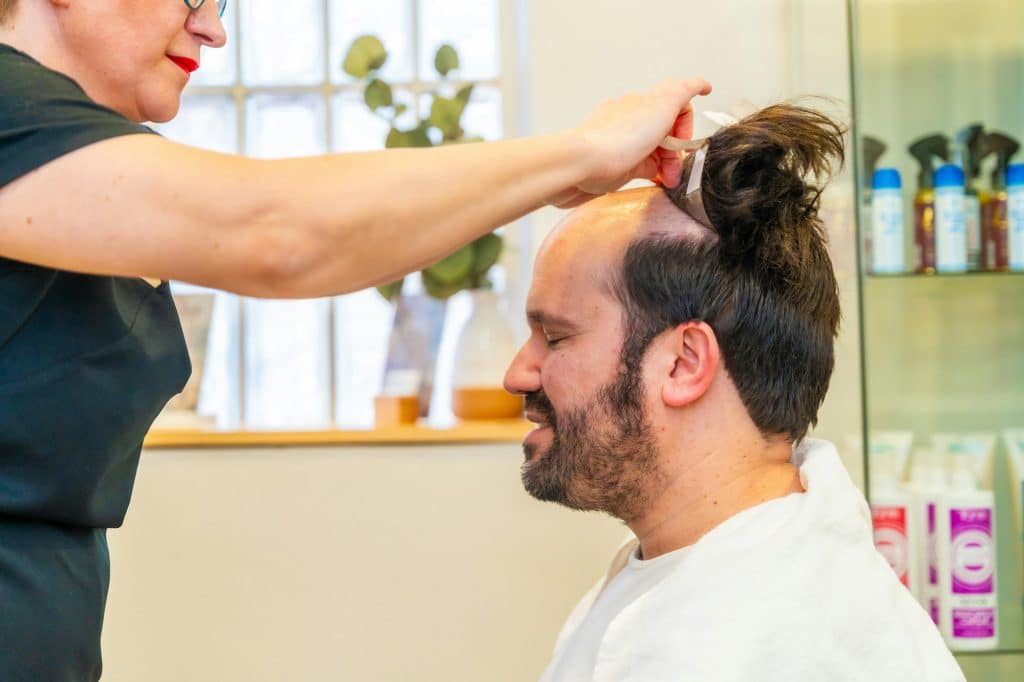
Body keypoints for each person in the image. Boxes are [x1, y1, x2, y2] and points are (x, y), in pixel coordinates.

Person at [0, 0, 712, 679]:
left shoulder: (66, 150)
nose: (212, 30)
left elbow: (320, 233)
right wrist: (580, 153)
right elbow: (279, 234)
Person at [503, 104, 966, 681]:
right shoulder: (683, 568)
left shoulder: (788, 643)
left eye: (554, 336)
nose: (518, 374)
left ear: (683, 363)